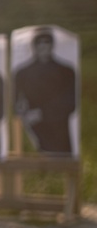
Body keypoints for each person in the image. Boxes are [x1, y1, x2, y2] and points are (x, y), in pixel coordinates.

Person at [13, 27, 76, 155]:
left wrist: (41, 113)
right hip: (31, 131)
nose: (42, 47)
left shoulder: (66, 71)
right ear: (33, 46)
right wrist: (20, 109)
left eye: (46, 42)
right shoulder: (22, 73)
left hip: (58, 131)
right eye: (39, 43)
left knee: (61, 165)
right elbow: (15, 101)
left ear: (52, 45)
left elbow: (70, 102)